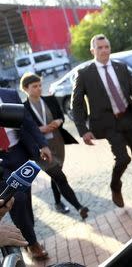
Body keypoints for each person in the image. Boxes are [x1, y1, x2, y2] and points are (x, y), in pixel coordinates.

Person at [71, 34, 132, 209]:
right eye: (100, 48)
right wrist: (83, 130)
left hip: (128, 118)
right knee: (123, 159)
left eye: (106, 47)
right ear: (92, 51)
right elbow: (77, 104)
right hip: (107, 123)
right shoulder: (84, 74)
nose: (104, 50)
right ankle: (115, 185)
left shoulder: (121, 67)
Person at [21, 73, 89, 219]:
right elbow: (24, 128)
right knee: (60, 177)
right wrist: (40, 129)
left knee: (56, 176)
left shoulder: (50, 100)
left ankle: (58, 203)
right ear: (26, 89)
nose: (39, 88)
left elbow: (61, 116)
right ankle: (79, 207)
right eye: (35, 86)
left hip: (57, 143)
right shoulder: (23, 108)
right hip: (40, 149)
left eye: (40, 85)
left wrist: (58, 122)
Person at [0, 88, 52, 260]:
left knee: (25, 197)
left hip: (18, 153)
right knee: (17, 198)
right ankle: (31, 243)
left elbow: (27, 121)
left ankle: (29, 233)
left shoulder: (9, 94)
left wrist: (42, 144)